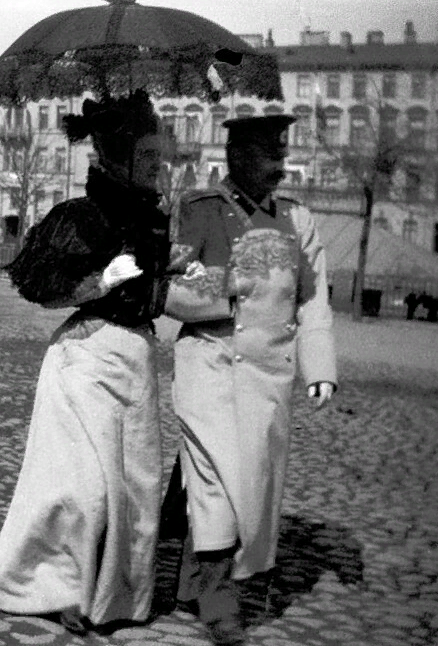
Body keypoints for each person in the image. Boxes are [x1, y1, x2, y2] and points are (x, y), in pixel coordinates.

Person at [0, 89, 177, 634]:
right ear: (116, 157)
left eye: (161, 158)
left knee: (133, 486)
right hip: (84, 358)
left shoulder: (155, 219)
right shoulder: (81, 216)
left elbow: (155, 292)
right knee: (84, 487)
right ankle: (62, 587)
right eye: (148, 159)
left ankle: (112, 596)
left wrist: (175, 276)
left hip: (136, 359)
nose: (159, 168)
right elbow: (42, 287)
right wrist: (98, 282)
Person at [162, 115, 337, 646]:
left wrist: (321, 368)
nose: (280, 163)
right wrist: (229, 284)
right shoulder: (198, 212)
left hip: (268, 378)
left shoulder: (297, 219)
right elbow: (171, 291)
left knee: (252, 487)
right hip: (210, 367)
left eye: (283, 152)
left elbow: (313, 299)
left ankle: (189, 578)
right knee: (217, 485)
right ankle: (219, 602)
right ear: (237, 156)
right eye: (269, 153)